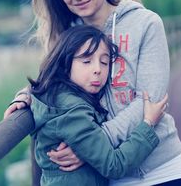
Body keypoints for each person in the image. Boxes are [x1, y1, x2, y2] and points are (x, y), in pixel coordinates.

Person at [4, 0, 181, 186]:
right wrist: (27, 95)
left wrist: (91, 144)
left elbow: (150, 101)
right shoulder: (68, 37)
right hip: (112, 177)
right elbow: (52, 83)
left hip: (165, 168)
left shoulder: (145, 23)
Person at [29, 25, 167, 185]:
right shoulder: (71, 111)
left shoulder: (58, 96)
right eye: (86, 61)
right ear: (65, 64)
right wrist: (148, 124)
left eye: (104, 62)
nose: (98, 70)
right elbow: (114, 165)